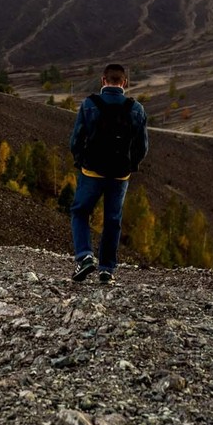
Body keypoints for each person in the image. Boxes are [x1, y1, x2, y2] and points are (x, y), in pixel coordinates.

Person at [69, 62, 148, 285]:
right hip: (119, 174)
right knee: (112, 220)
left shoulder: (89, 104)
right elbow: (142, 146)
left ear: (103, 80)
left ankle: (85, 256)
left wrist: (81, 161)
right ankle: (106, 270)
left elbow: (76, 140)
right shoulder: (136, 108)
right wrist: (131, 165)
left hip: (92, 170)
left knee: (80, 212)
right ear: (125, 82)